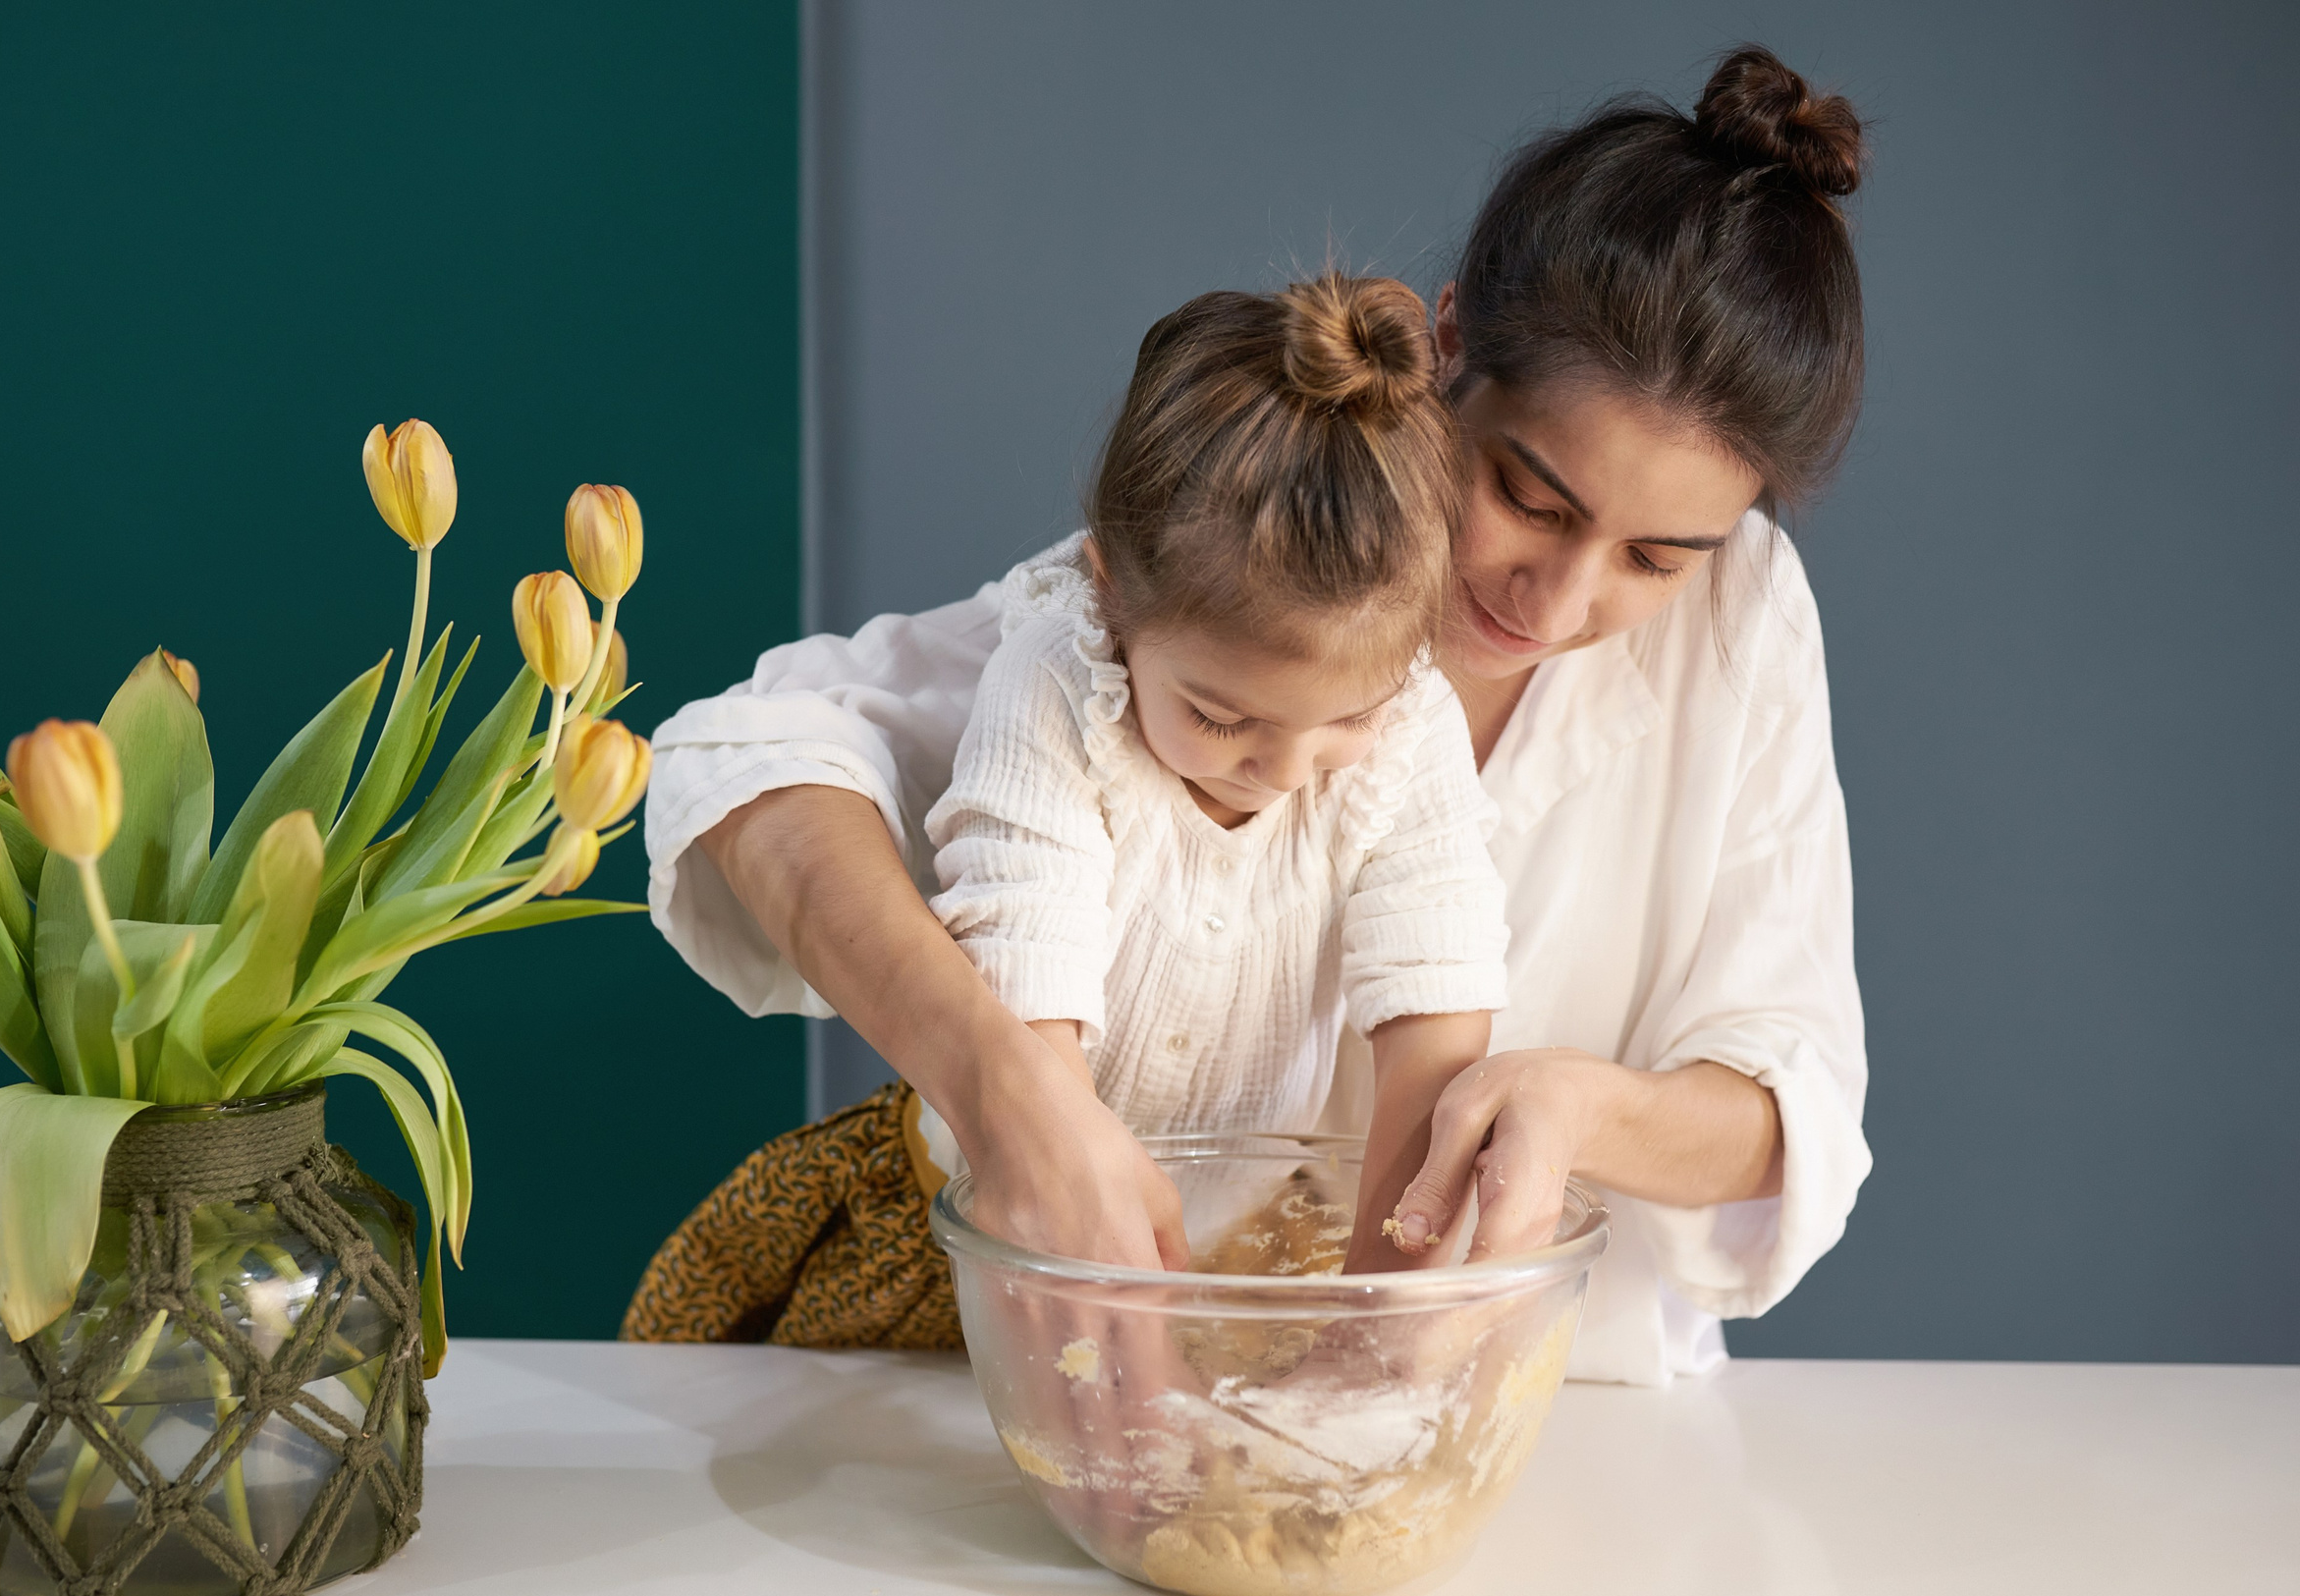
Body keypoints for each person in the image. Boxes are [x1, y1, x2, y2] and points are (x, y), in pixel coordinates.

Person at [633, 44, 1871, 1386]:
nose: (1561, 601)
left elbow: (1791, 1100)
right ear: (1447, 342)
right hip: (1104, 1341)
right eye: (1531, 498)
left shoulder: (1743, 619)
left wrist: (1576, 1106)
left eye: (1656, 559)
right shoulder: (1245, 542)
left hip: (1554, 1394)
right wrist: (1006, 1082)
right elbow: (754, 759)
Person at [929, 272, 1509, 1270]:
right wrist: (1127, 1345)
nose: (1284, 769)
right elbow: (1027, 1016)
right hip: (989, 1221)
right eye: (1220, 714)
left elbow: (1435, 1016)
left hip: (1244, 1233)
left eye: (1346, 719)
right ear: (1110, 590)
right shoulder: (1056, 688)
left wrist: (1385, 1305)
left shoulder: (1417, 727)